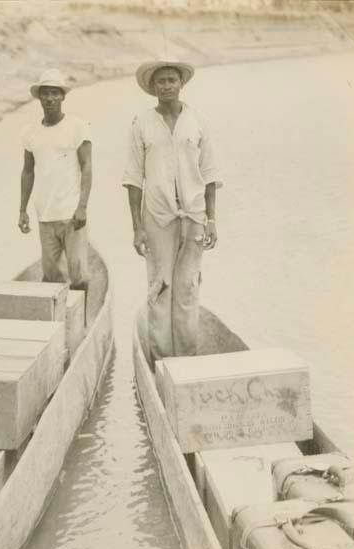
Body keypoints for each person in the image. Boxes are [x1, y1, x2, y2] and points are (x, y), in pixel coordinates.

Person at [123, 59, 221, 365]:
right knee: (160, 287)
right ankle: (162, 362)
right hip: (157, 217)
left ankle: (188, 361)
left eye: (171, 80)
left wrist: (212, 220)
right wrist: (137, 227)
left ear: (182, 84)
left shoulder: (198, 122)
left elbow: (210, 175)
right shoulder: (141, 123)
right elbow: (132, 179)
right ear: (152, 88)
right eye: (160, 81)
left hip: (193, 217)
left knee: (188, 288)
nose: (166, 86)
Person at [19, 69, 92, 295]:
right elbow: (28, 172)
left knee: (78, 276)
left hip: (71, 215)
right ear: (39, 98)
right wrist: (22, 210)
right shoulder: (30, 132)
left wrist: (82, 207)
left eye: (54, 93)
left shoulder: (77, 126)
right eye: (45, 94)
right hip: (45, 214)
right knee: (51, 278)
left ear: (63, 96)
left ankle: (83, 323)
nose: (50, 99)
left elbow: (87, 167)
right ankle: (57, 326)